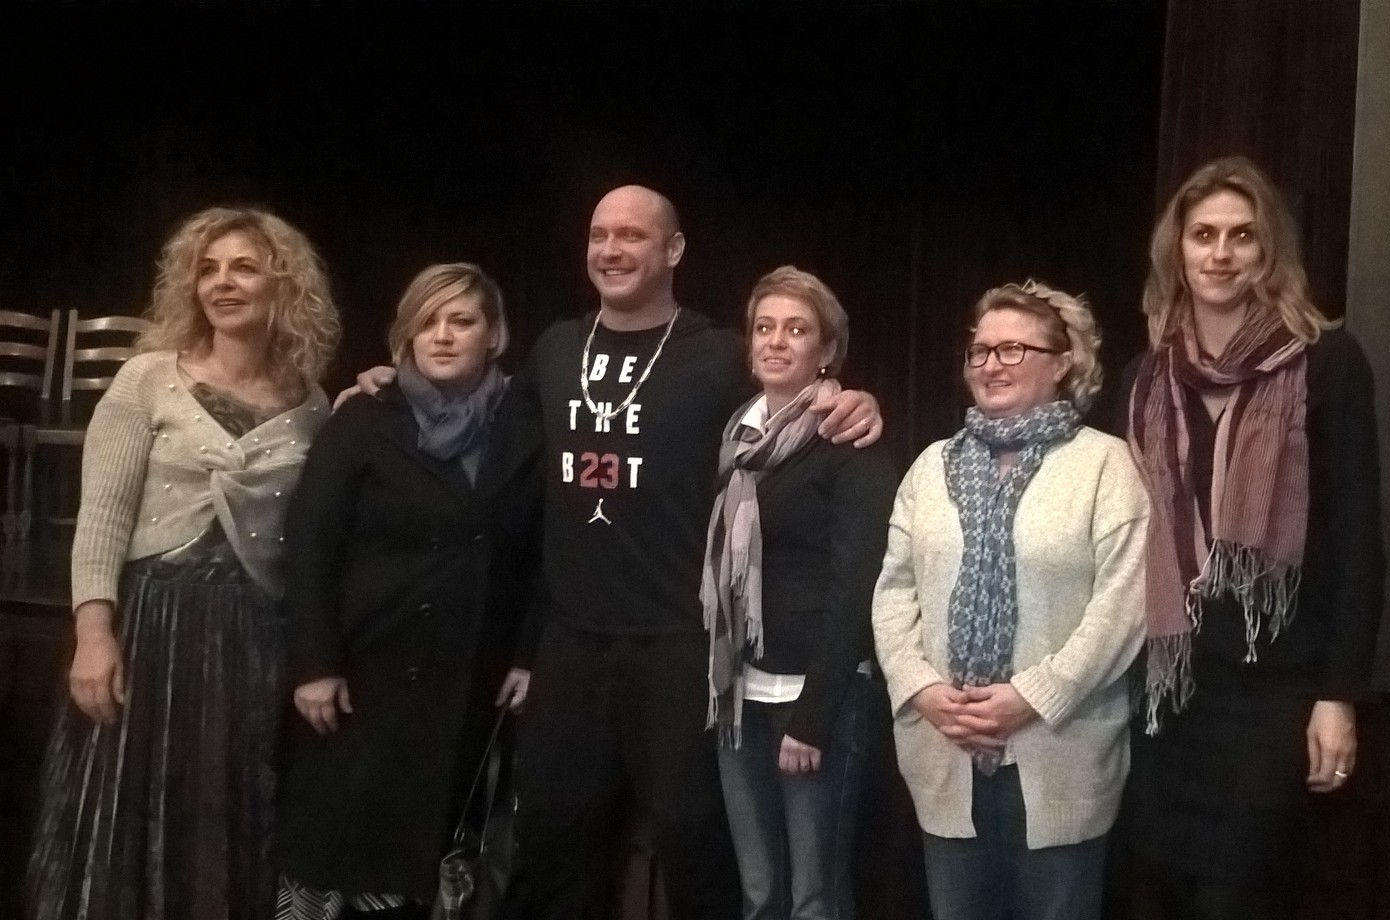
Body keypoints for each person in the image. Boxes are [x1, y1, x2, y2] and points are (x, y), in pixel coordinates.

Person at [347, 185, 881, 920]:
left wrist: (851, 398)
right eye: (600, 235)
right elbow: (480, 416)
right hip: (572, 641)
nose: (611, 249)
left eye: (632, 235)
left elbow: (789, 401)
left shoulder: (719, 354)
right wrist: (393, 386)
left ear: (674, 250)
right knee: (553, 840)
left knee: (696, 845)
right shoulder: (556, 348)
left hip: (680, 642)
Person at [28, 206, 341, 920]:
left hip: (251, 640)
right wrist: (93, 634)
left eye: (243, 268)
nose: (221, 282)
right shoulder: (146, 379)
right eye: (208, 269)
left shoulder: (311, 404)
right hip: (152, 630)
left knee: (224, 815)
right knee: (130, 815)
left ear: (282, 284)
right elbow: (101, 517)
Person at [1116, 155, 1384, 920]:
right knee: (1165, 893)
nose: (1221, 254)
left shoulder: (1327, 361)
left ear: (1270, 251)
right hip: (1170, 686)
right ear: (1177, 251)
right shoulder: (1146, 376)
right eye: (1203, 235)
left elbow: (1358, 536)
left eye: (1243, 235)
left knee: (1238, 896)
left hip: (1275, 685)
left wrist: (1338, 694)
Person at [271, 263, 542, 919]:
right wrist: (314, 664)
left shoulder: (527, 425)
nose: (442, 336)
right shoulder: (364, 416)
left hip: (464, 682)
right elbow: (310, 544)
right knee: (327, 855)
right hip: (358, 679)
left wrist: (528, 654)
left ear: (494, 334)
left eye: (461, 321)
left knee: (410, 872)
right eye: (427, 322)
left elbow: (542, 551)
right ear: (405, 337)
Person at [872, 280, 1149, 920]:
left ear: (1064, 363)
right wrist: (920, 688)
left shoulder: (1106, 467)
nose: (992, 364)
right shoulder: (929, 467)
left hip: (1060, 754)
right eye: (980, 351)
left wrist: (1032, 696)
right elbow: (893, 594)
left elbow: (1122, 608)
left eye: (1013, 349)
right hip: (944, 752)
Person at [701, 266, 896, 920]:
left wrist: (814, 716)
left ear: (827, 350)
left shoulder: (849, 443)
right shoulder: (736, 442)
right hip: (739, 694)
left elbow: (857, 588)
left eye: (796, 329)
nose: (776, 341)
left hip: (815, 701)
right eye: (764, 327)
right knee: (760, 894)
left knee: (814, 898)